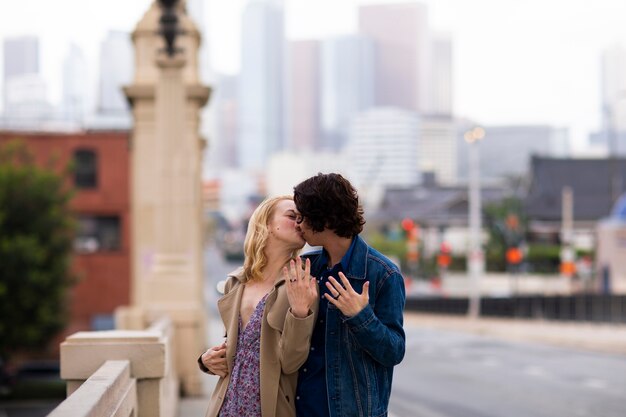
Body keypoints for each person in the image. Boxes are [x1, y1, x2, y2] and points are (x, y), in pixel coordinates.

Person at [293, 173, 406, 417]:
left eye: (303, 216)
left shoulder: (382, 274)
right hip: (300, 409)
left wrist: (360, 316)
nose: (298, 225)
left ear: (324, 216)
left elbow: (394, 351)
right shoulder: (305, 268)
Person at [198, 196, 318, 417]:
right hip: (225, 406)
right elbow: (231, 347)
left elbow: (291, 363)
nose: (300, 224)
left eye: (302, 219)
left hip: (268, 407)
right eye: (292, 216)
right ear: (266, 223)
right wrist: (206, 360)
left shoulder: (301, 283)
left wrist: (300, 313)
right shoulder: (236, 282)